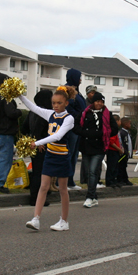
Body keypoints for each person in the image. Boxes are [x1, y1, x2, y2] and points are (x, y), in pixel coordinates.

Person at [21, 88, 75, 232]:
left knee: (62, 189)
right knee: (43, 186)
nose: (56, 106)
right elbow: (33, 107)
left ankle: (64, 221)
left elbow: (58, 136)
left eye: (59, 103)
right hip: (50, 156)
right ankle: (36, 219)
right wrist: (19, 95)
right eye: (53, 103)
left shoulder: (69, 119)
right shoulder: (50, 114)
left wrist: (37, 143)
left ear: (66, 103)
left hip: (62, 156)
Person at [78, 93, 118, 207]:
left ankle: (89, 197)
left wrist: (102, 134)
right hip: (86, 146)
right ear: (93, 102)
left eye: (101, 101)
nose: (99, 103)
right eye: (97, 101)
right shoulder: (85, 113)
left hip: (99, 147)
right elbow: (75, 125)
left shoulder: (107, 114)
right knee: (88, 172)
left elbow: (115, 129)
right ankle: (94, 196)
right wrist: (84, 133)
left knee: (92, 171)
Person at [0, 73, 22, 194]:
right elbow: (11, 113)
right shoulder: (5, 97)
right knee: (3, 158)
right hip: (4, 133)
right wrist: (19, 112)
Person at [21, 89, 53, 206]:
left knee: (36, 172)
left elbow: (25, 128)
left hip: (33, 145)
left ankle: (37, 196)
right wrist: (39, 141)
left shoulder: (32, 111)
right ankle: (36, 198)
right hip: (42, 146)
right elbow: (38, 128)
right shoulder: (44, 112)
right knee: (41, 173)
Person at [64, 69, 85, 190]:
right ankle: (62, 181)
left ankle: (70, 181)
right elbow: (68, 109)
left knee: (74, 155)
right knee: (68, 154)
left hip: (77, 128)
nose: (80, 79)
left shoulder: (77, 91)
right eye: (79, 77)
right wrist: (79, 116)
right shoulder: (67, 91)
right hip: (71, 128)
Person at [105, 115, 123, 188]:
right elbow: (111, 142)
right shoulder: (112, 130)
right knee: (111, 166)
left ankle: (114, 180)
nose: (120, 123)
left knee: (115, 166)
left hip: (116, 151)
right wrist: (119, 149)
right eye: (119, 121)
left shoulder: (116, 130)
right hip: (112, 150)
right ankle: (109, 181)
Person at [118, 117, 134, 186]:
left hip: (127, 153)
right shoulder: (122, 133)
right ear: (126, 124)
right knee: (121, 166)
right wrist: (124, 151)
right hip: (123, 154)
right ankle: (122, 179)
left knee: (124, 166)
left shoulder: (127, 133)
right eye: (130, 124)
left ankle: (125, 179)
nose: (130, 125)